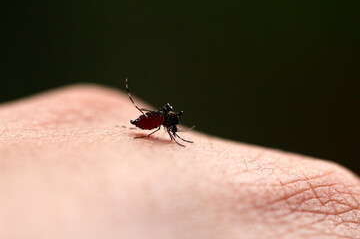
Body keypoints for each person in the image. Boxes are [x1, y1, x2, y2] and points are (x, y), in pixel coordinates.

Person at [0, 84, 359, 239]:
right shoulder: (158, 120)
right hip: (145, 121)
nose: (169, 125)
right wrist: (150, 125)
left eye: (169, 124)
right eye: (171, 125)